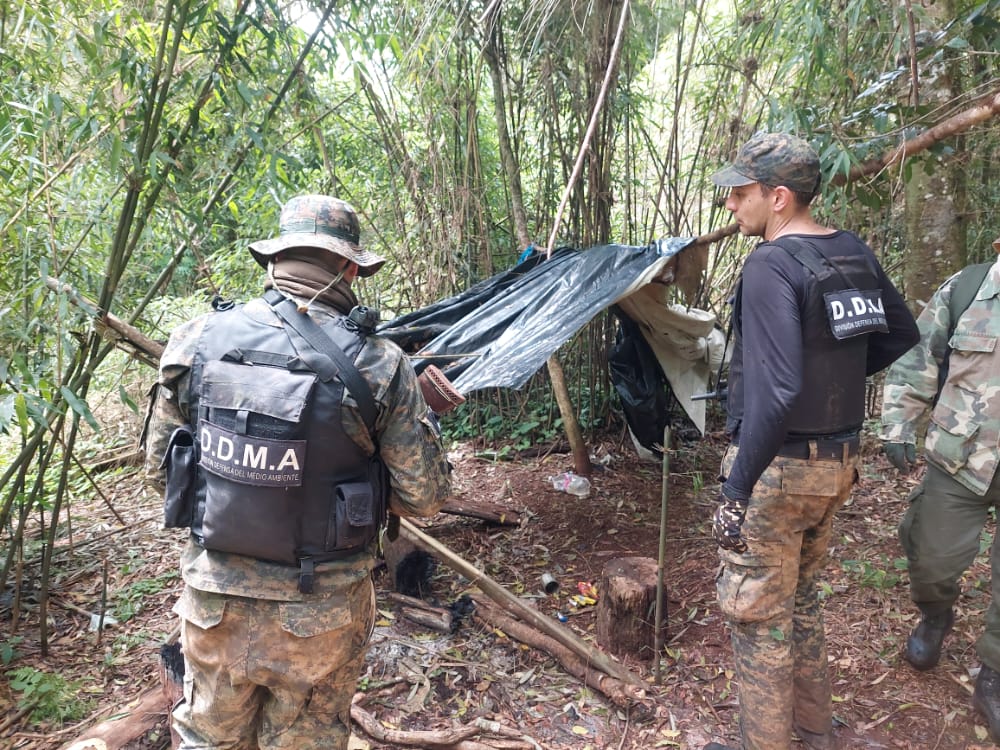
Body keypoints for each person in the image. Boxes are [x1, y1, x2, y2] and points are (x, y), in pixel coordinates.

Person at [145, 194, 452, 750]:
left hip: (215, 602)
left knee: (207, 741)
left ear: (273, 261)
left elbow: (161, 471)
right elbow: (422, 496)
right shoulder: (379, 364)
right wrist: (423, 418)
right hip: (321, 612)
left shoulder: (196, 340)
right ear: (350, 267)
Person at [703, 133, 920, 750]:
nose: (731, 206)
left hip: (780, 469)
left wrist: (736, 489)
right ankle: (815, 733)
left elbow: (776, 392)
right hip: (838, 464)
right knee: (798, 600)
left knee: (757, 617)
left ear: (778, 198)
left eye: (740, 194)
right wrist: (839, 376)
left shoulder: (771, 264)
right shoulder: (850, 251)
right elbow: (898, 333)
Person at [881, 238, 1000, 739]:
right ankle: (935, 617)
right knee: (930, 557)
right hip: (962, 458)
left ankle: (993, 670)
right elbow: (918, 355)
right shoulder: (970, 287)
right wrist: (897, 423)